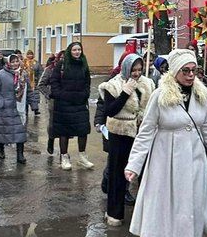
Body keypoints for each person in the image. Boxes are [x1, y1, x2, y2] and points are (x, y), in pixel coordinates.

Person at [126, 49, 207, 237]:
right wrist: (134, 165)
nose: (191, 75)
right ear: (175, 72)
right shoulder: (160, 96)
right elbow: (146, 133)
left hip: (194, 164)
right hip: (166, 164)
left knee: (194, 212)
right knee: (170, 215)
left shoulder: (200, 96)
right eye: (186, 70)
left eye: (194, 70)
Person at [99, 53, 154, 226]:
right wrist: (125, 92)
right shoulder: (112, 85)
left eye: (139, 69)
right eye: (133, 70)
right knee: (118, 173)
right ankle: (114, 213)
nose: (137, 73)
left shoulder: (148, 83)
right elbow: (110, 110)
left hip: (141, 134)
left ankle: (146, 214)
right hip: (120, 133)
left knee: (145, 172)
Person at [50, 42, 93, 171]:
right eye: (74, 50)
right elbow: (54, 81)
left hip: (80, 103)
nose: (77, 52)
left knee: (83, 130)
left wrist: (85, 94)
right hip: (64, 104)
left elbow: (87, 82)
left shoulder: (84, 64)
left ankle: (82, 156)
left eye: (79, 49)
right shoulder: (62, 64)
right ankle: (64, 157)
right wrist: (60, 95)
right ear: (70, 51)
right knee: (64, 131)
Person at [0, 53, 27, 164]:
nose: (15, 63)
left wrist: (34, 104)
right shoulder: (1, 74)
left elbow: (29, 90)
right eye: (13, 61)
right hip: (5, 108)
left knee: (20, 131)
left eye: (17, 61)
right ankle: (1, 148)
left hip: (20, 107)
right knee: (3, 131)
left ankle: (20, 154)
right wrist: (2, 103)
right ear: (8, 63)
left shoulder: (23, 74)